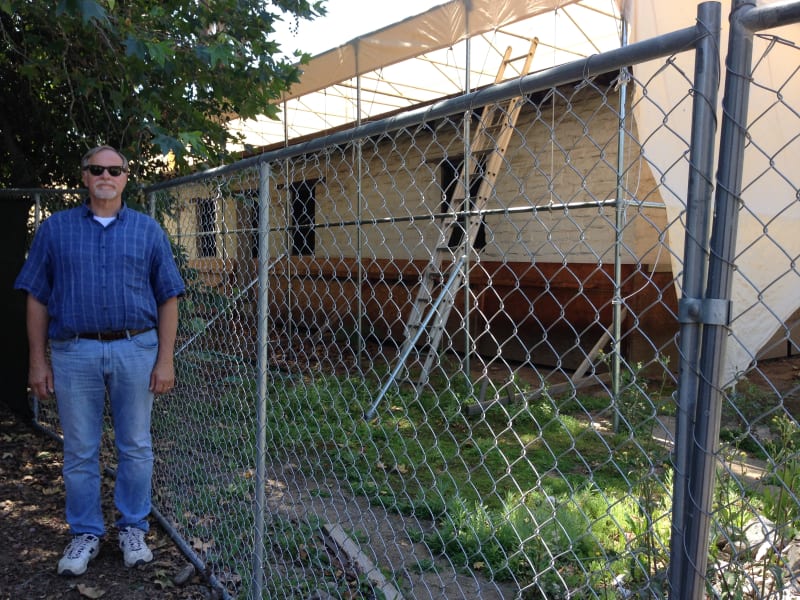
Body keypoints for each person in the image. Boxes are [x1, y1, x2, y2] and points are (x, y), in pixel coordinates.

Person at [14, 145, 186, 576]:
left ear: (126, 177)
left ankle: (132, 527)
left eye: (114, 169)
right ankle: (86, 532)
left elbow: (169, 297)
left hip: (136, 348)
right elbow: (36, 296)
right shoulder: (55, 230)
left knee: (135, 444)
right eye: (97, 169)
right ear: (85, 177)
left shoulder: (148, 232)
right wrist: (38, 361)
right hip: (74, 351)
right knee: (80, 449)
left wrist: (165, 358)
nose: (105, 175)